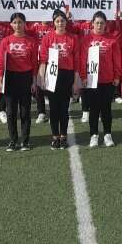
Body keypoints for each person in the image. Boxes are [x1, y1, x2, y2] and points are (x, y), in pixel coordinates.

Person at [39, 10, 80, 150]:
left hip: (67, 75)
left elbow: (76, 61)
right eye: (57, 21)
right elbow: (43, 60)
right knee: (53, 108)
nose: (60, 23)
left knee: (64, 108)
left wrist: (76, 81)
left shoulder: (73, 38)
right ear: (54, 23)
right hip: (52, 76)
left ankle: (63, 136)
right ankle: (55, 137)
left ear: (66, 22)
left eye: (62, 20)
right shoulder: (47, 38)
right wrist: (42, 78)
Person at [0, 13, 38, 152]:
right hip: (10, 78)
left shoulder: (31, 41)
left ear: (25, 23)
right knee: (11, 112)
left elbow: (35, 63)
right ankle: (13, 140)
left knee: (25, 111)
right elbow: (0, 63)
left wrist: (34, 81)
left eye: (20, 22)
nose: (17, 25)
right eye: (14, 22)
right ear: (11, 24)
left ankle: (25, 141)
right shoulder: (5, 41)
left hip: (26, 77)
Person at [80, 11, 122, 148]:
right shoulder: (86, 40)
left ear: (105, 24)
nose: (99, 25)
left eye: (102, 23)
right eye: (97, 23)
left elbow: (116, 59)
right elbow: (82, 60)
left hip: (107, 79)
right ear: (92, 24)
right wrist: (83, 76)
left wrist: (117, 76)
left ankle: (107, 135)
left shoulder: (112, 39)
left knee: (106, 109)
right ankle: (94, 135)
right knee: (93, 109)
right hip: (92, 80)